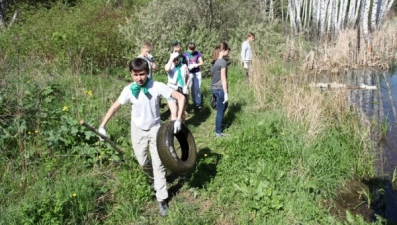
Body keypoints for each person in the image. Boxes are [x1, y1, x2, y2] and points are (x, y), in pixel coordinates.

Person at [98, 58, 186, 217]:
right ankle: (154, 177)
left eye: (142, 74)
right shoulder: (128, 90)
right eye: (135, 74)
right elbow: (115, 106)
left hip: (155, 129)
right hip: (137, 129)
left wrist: (177, 118)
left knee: (159, 164)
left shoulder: (157, 86)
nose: (139, 78)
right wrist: (102, 126)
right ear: (131, 74)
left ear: (147, 73)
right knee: (142, 161)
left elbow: (179, 97)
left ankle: (162, 198)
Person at [165, 50, 192, 121]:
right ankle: (173, 129)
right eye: (174, 60)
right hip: (172, 90)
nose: (176, 61)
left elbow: (188, 76)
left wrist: (186, 85)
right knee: (174, 112)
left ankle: (182, 126)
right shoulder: (170, 66)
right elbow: (167, 69)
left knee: (182, 111)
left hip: (182, 90)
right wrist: (171, 58)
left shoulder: (184, 66)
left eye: (177, 59)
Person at [210, 42, 230, 137]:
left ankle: (219, 123)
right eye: (227, 50)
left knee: (224, 106)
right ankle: (218, 132)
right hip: (220, 89)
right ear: (224, 50)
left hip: (213, 88)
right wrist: (226, 93)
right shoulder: (222, 62)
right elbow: (223, 78)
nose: (228, 52)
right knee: (220, 111)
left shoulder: (213, 62)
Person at [183, 42, 204, 110]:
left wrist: (196, 64)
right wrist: (187, 67)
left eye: (193, 49)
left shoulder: (197, 53)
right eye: (190, 49)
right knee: (191, 89)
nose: (191, 50)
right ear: (187, 48)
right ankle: (194, 101)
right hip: (189, 73)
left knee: (197, 88)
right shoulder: (185, 55)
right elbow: (183, 64)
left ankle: (198, 104)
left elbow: (201, 62)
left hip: (197, 73)